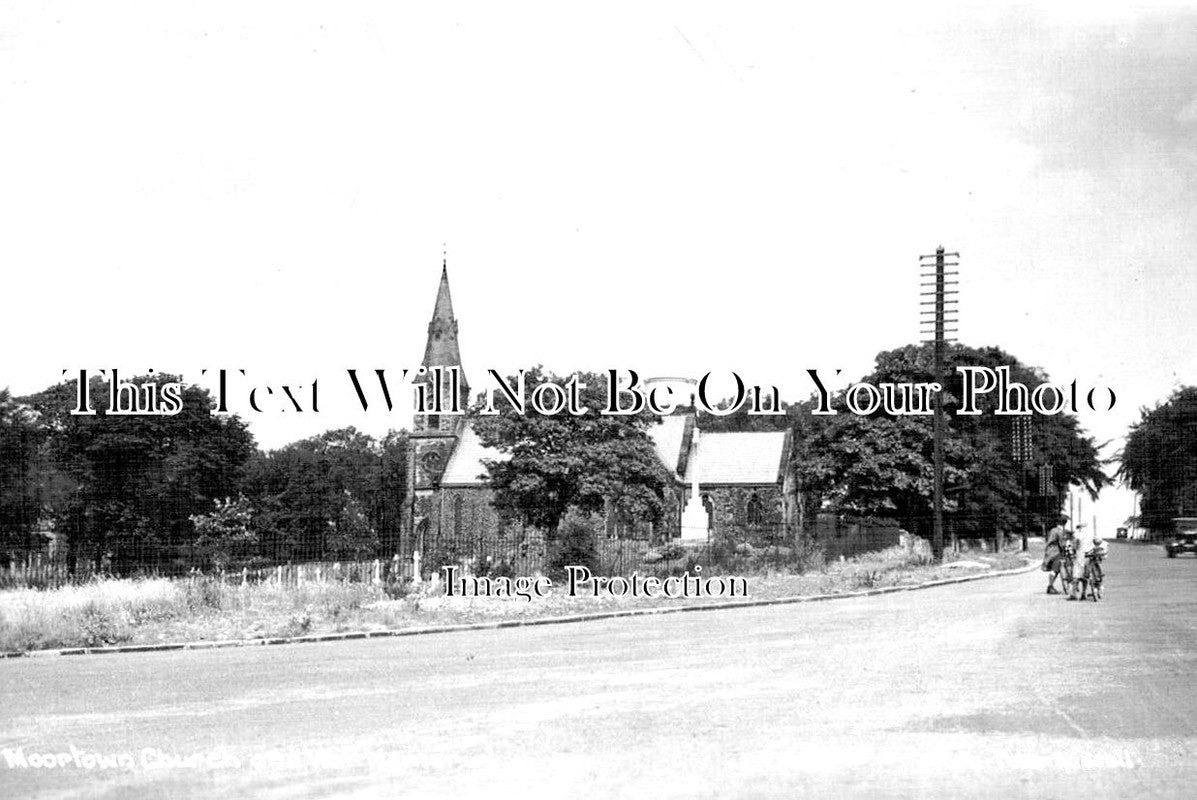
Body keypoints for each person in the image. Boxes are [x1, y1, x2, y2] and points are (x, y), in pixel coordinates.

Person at [1043, 516, 1070, 594]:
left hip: (1049, 551)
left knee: (1055, 569)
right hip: (1055, 552)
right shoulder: (1060, 531)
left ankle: (1050, 586)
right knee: (1055, 569)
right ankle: (1050, 587)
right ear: (1064, 523)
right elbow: (1062, 543)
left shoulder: (1053, 530)